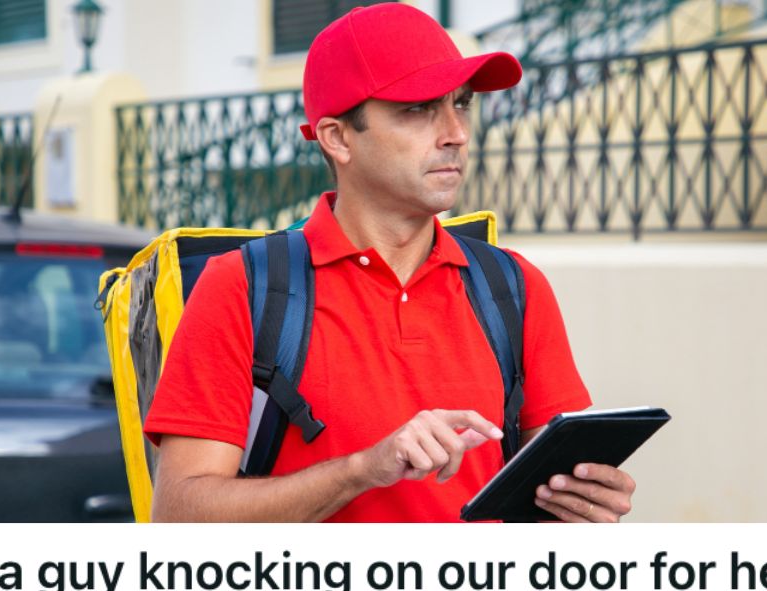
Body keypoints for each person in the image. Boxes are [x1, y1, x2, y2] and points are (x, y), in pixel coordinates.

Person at [143, 3, 636, 523]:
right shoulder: (244, 287)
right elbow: (180, 517)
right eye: (418, 109)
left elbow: (552, 489)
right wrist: (364, 469)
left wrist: (583, 500)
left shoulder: (513, 286)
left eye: (461, 104)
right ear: (337, 138)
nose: (456, 133)